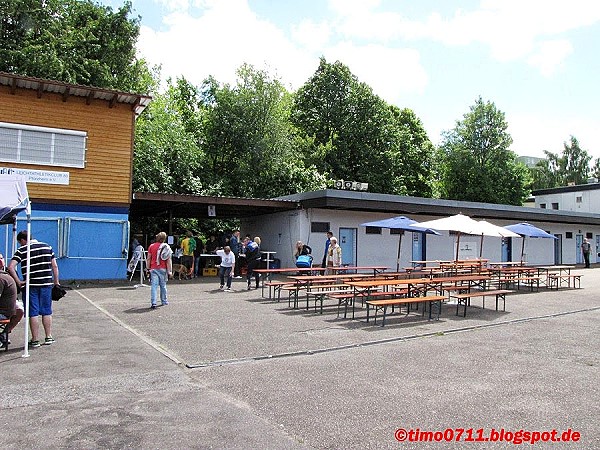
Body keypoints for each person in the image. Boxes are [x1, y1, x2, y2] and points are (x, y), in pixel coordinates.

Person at [8, 230, 59, 347]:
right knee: (47, 311)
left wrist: (19, 281)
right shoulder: (47, 247)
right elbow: (54, 266)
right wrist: (56, 282)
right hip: (46, 284)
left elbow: (11, 267)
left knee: (33, 312)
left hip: (30, 285)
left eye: (20, 242)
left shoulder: (22, 250)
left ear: (22, 240)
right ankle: (48, 336)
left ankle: (35, 339)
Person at [0, 254, 23, 348]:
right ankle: (3, 336)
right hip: (8, 308)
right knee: (20, 310)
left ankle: (3, 336)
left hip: (4, 310)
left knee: (20, 310)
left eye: (1, 258)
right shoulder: (6, 275)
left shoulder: (2, 277)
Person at [147, 232, 173, 309]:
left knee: (154, 286)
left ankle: (153, 302)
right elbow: (168, 261)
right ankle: (164, 301)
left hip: (153, 268)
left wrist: (148, 268)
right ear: (164, 238)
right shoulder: (166, 247)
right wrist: (170, 271)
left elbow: (149, 258)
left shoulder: (151, 246)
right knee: (163, 286)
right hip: (163, 269)